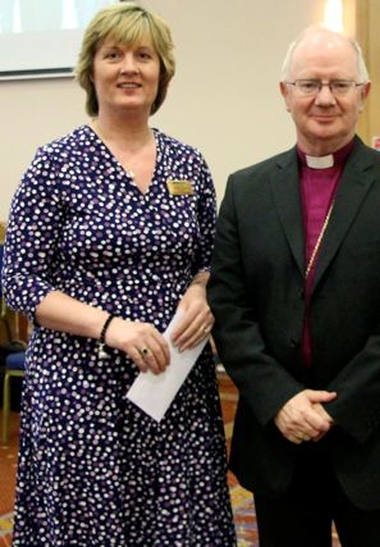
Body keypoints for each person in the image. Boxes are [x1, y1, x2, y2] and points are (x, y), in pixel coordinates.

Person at [1, 3, 236, 545]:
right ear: (91, 71)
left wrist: (203, 289)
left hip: (172, 384)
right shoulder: (54, 164)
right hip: (80, 390)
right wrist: (111, 327)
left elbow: (213, 256)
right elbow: (20, 280)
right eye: (113, 55)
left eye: (143, 55)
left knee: (177, 525)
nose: (129, 67)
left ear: (162, 73)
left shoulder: (188, 164)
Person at [207, 25, 380, 547]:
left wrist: (340, 407)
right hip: (279, 440)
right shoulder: (246, 189)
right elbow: (228, 304)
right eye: (308, 84)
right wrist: (281, 399)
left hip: (379, 439)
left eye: (339, 84)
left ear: (363, 94)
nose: (324, 98)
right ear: (284, 94)